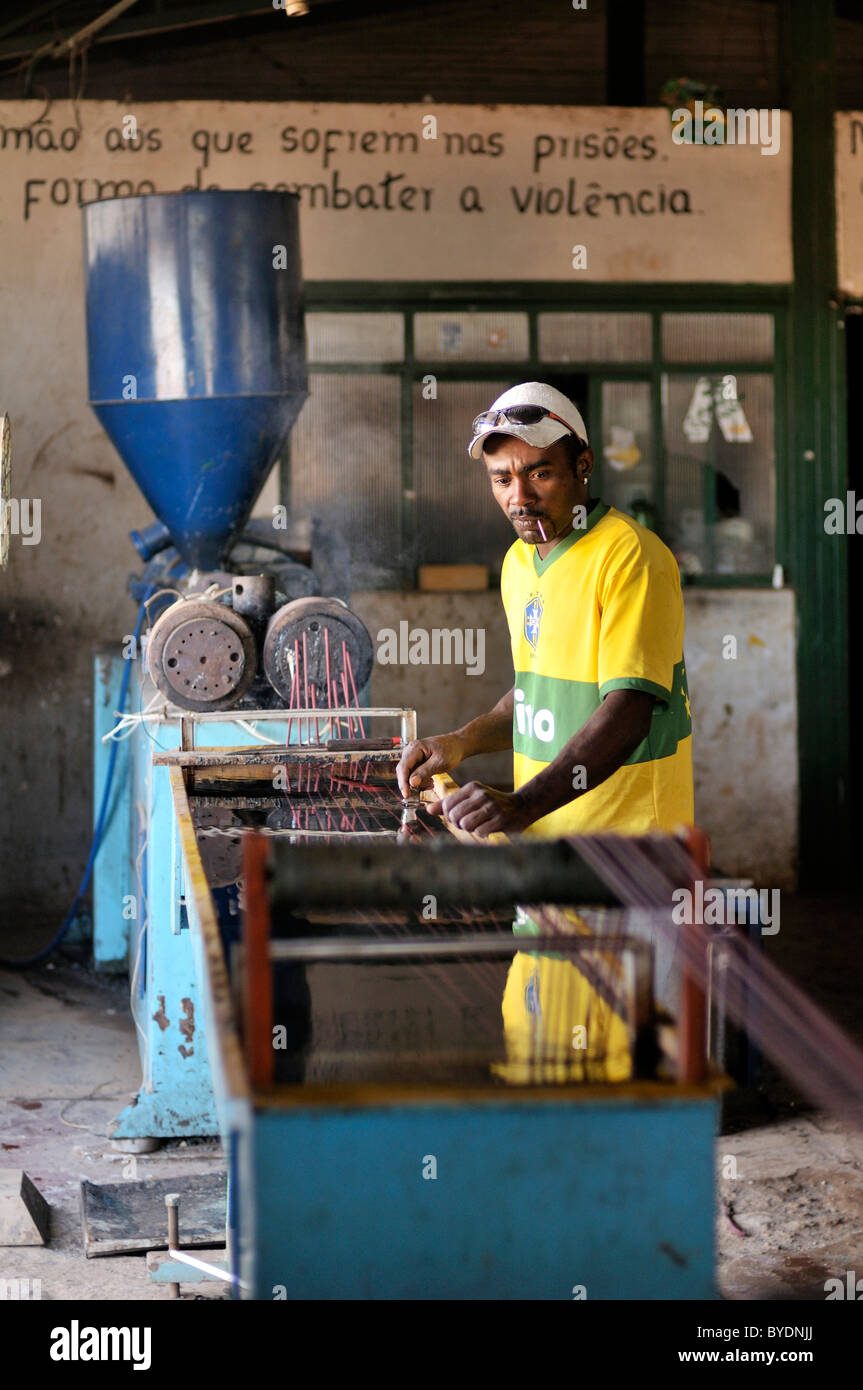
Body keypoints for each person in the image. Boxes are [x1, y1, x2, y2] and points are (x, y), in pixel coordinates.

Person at [396, 381, 694, 840]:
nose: (519, 497)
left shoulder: (629, 554)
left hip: (628, 849)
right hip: (543, 842)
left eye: (539, 474)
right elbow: (537, 698)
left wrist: (521, 803)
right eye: (502, 479)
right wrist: (461, 742)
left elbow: (629, 710)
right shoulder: (519, 563)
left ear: (583, 466)